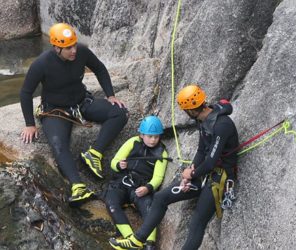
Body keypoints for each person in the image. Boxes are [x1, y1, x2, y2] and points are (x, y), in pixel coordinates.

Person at [109, 84, 239, 250]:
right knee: (160, 197)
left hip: (219, 178)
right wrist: (188, 174)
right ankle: (138, 239)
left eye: (185, 111)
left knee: (197, 221)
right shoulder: (203, 120)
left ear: (191, 110)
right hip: (202, 173)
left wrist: (191, 175)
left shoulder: (222, 125)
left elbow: (211, 161)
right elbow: (201, 151)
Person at [20, 23, 128, 204]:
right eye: (68, 48)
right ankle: (78, 186)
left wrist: (110, 95)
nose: (73, 51)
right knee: (58, 144)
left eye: (74, 45)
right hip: (56, 111)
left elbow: (100, 68)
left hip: (81, 103)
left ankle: (94, 154)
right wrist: (30, 123)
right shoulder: (42, 64)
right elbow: (25, 92)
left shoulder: (82, 52)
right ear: (56, 48)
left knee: (120, 113)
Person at [105, 115, 169, 250]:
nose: (153, 140)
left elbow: (158, 177)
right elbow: (114, 161)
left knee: (150, 209)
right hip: (123, 182)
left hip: (141, 187)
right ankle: (129, 238)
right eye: (150, 136)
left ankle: (149, 244)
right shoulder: (132, 142)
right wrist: (119, 165)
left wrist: (148, 188)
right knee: (111, 202)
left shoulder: (161, 153)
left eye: (156, 137)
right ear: (141, 135)